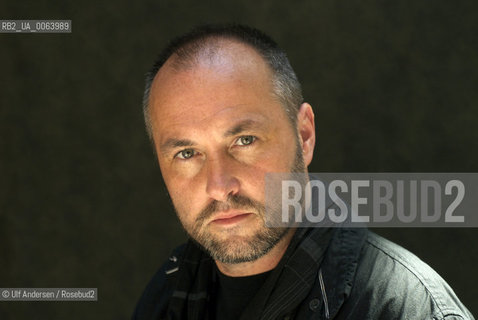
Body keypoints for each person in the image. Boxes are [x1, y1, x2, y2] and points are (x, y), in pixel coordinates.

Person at [133, 24, 474, 320]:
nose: (220, 186)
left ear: (305, 136)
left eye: (244, 140)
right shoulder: (167, 291)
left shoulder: (405, 309)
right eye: (187, 153)